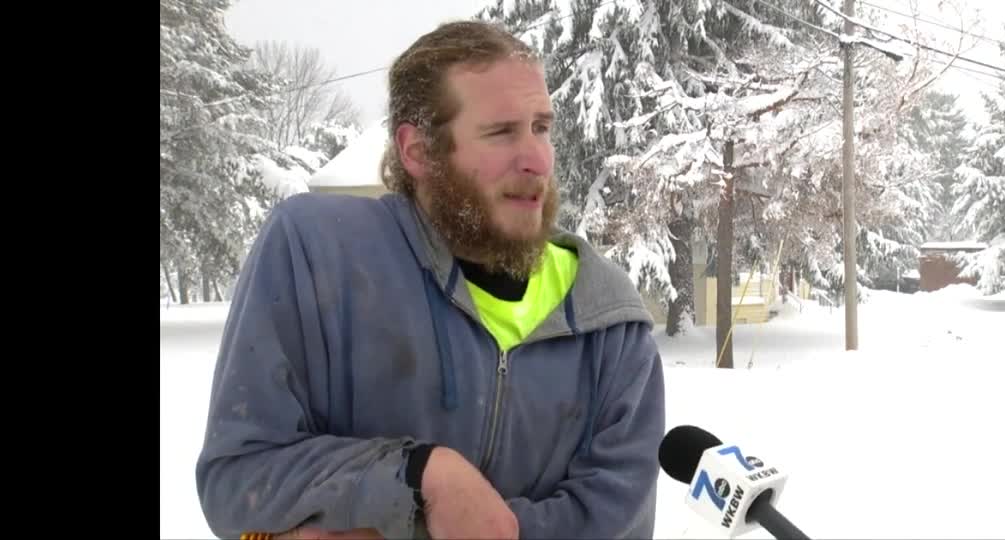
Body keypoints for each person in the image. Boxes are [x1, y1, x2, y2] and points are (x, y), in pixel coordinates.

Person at [194, 20, 666, 540]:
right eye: (501, 131)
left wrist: (407, 529)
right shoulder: (318, 255)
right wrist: (419, 475)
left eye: (541, 127)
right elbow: (238, 481)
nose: (537, 159)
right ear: (417, 151)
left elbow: (613, 525)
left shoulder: (608, 319)